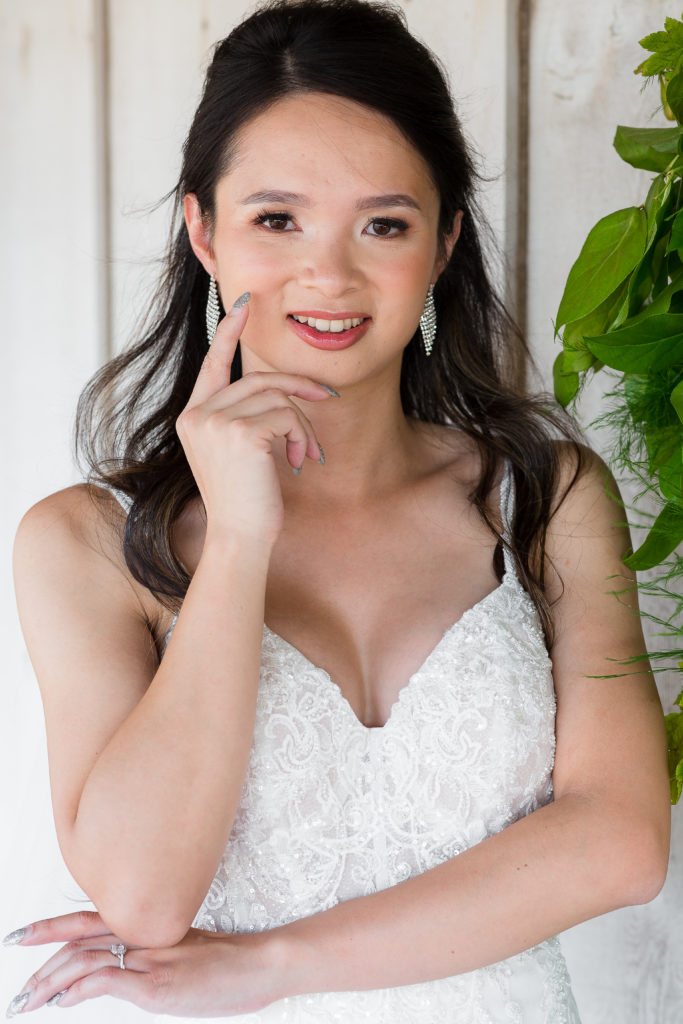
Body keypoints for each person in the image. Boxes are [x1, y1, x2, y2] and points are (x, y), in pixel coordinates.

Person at [5, 0, 670, 1020]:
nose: (330, 272)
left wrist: (268, 963)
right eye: (276, 219)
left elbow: (620, 843)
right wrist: (238, 536)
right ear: (203, 231)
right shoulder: (81, 541)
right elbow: (143, 895)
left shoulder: (544, 497)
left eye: (382, 224)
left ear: (443, 240)